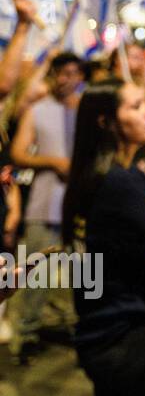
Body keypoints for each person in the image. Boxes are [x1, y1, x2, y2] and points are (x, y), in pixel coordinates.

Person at [64, 80, 145, 396]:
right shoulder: (119, 184)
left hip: (98, 330)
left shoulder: (90, 178)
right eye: (136, 105)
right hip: (129, 337)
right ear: (106, 121)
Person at [8, 51, 84, 362]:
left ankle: (76, 330)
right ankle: (26, 333)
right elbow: (19, 153)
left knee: (83, 275)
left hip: (78, 207)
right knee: (34, 274)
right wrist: (52, 162)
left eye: (72, 73)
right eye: (61, 73)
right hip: (44, 204)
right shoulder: (37, 110)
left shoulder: (87, 111)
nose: (66, 79)